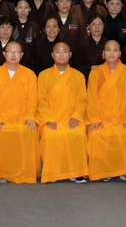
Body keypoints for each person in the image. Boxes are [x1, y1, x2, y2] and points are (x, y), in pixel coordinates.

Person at [86, 40, 126, 183]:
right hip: (101, 118)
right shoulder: (95, 73)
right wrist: (95, 119)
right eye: (108, 50)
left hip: (122, 118)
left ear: (120, 53)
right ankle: (103, 170)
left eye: (115, 50)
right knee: (96, 134)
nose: (111, 53)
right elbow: (91, 99)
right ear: (103, 53)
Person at [0, 41, 40, 184]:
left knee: (29, 131)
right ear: (4, 54)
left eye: (16, 52)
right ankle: (2, 173)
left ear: (21, 55)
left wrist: (29, 117)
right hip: (1, 117)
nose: (13, 55)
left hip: (22, 116)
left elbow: (33, 99)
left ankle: (25, 172)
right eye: (10, 52)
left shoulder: (29, 74)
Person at [36, 42, 89, 183]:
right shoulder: (43, 75)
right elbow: (40, 100)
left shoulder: (78, 76)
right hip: (51, 119)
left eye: (64, 51)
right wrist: (48, 119)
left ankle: (76, 172)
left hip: (72, 118)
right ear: (52, 55)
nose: (61, 55)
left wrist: (76, 117)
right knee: (50, 135)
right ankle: (53, 172)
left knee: (78, 134)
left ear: (70, 55)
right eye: (58, 51)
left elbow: (83, 100)